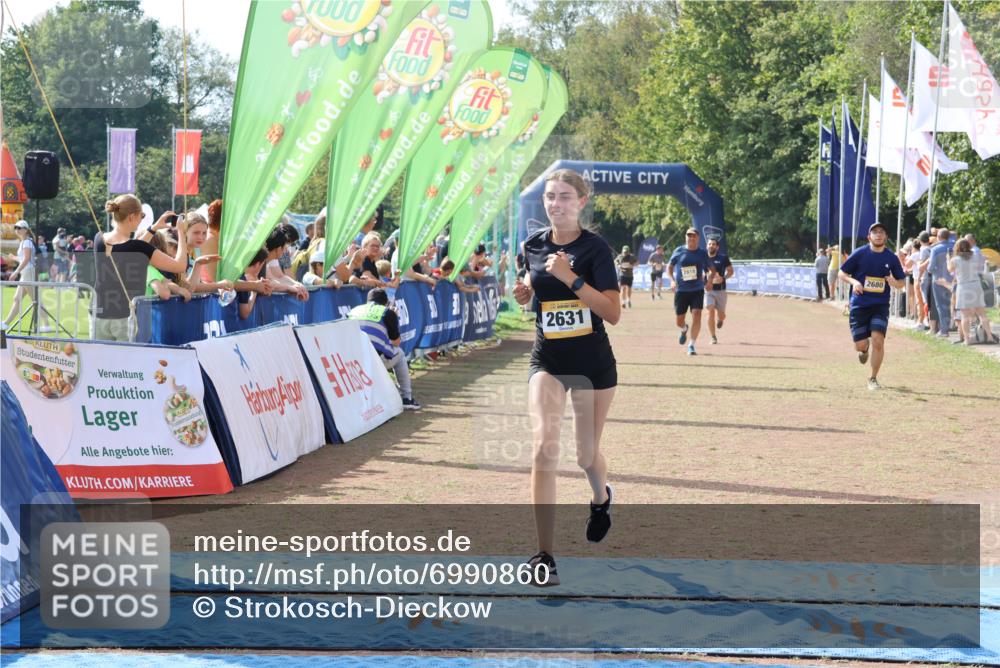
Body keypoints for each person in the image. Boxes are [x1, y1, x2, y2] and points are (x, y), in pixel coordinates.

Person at [513, 168, 621, 587]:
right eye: (549, 197)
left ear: (581, 202)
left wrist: (571, 278)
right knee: (544, 448)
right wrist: (526, 292)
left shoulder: (596, 249)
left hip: (593, 364)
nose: (555, 204)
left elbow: (612, 312)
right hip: (549, 360)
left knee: (585, 456)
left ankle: (601, 497)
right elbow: (535, 285)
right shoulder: (533, 245)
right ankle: (544, 556)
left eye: (563, 197)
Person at [94, 195, 189, 341]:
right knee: (128, 357)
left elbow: (129, 248)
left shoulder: (99, 238)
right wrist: (181, 233)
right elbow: (180, 266)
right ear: (132, 217)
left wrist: (153, 229)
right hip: (125, 318)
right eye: (142, 216)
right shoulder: (139, 248)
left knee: (98, 356)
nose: (141, 220)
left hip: (99, 315)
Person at [837, 222, 906, 390]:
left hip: (880, 306)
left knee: (878, 340)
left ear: (886, 237)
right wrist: (855, 282)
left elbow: (901, 283)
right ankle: (864, 349)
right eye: (875, 232)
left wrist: (894, 282)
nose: (878, 234)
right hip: (859, 305)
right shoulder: (860, 253)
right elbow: (841, 273)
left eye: (882, 232)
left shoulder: (891, 257)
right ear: (869, 237)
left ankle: (873, 378)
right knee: (860, 345)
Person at [349, 288, 420, 410]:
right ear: (385, 302)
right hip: (372, 360)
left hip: (351, 362)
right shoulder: (387, 312)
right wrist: (394, 317)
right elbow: (396, 342)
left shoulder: (353, 311)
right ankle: (406, 398)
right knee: (400, 354)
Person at [667, 228, 715, 356]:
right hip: (681, 290)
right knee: (679, 320)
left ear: (698, 238)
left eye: (694, 236)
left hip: (697, 289)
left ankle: (691, 345)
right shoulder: (679, 251)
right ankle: (684, 329)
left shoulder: (702, 253)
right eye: (689, 235)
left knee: (697, 314)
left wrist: (709, 281)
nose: (691, 238)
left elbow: (712, 269)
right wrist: (672, 280)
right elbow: (669, 267)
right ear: (685, 237)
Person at [2, 220, 53, 332]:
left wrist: (15, 272)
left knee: (35, 300)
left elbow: (26, 259)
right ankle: (6, 323)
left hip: (28, 273)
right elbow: (24, 259)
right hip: (26, 273)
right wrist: (14, 258)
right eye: (16, 228)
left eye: (19, 228)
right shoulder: (25, 242)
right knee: (17, 299)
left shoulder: (26, 242)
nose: (17, 230)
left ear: (26, 230)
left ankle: (47, 325)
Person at [948, 238, 996, 345]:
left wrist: (948, 258)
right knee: (982, 314)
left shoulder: (955, 260)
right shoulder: (975, 256)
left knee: (965, 316)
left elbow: (950, 270)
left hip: (963, 286)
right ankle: (989, 336)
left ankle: (967, 339)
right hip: (976, 285)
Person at [146, 229, 193, 302]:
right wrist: (168, 288)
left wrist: (179, 289)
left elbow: (167, 282)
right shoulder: (148, 270)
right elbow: (165, 294)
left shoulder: (154, 271)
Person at [704, 238, 733, 344]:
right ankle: (713, 337)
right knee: (710, 311)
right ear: (707, 246)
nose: (711, 245)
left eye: (713, 244)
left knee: (721, 315)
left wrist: (723, 278)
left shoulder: (723, 258)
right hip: (708, 290)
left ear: (717, 247)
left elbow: (730, 271)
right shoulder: (702, 258)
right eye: (709, 244)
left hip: (721, 291)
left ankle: (720, 319)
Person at [926, 228, 953, 338]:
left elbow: (930, 268)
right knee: (953, 304)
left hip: (938, 280)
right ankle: (956, 328)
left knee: (941, 305)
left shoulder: (935, 249)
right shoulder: (954, 246)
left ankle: (944, 330)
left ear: (938, 237)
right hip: (953, 279)